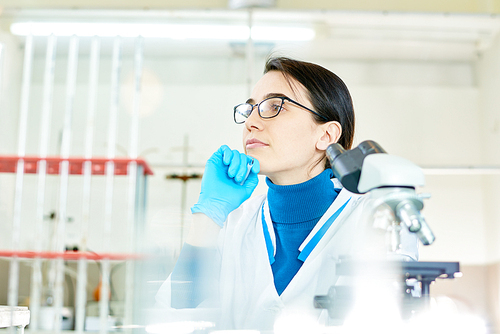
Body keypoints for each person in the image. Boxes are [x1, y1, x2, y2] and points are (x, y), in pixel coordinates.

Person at [156, 57, 418, 330]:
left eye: (274, 106)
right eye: (250, 109)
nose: (251, 123)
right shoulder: (234, 223)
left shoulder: (377, 218)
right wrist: (208, 215)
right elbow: (176, 317)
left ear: (327, 135)